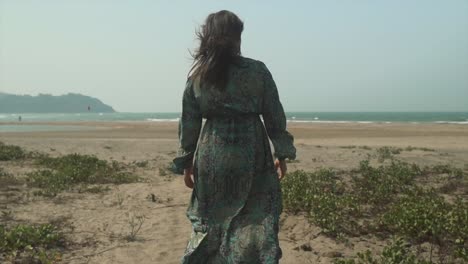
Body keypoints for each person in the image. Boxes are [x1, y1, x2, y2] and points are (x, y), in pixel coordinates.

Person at [173, 10, 296, 264]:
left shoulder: (198, 77)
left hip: (212, 155)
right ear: (238, 37)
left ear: (208, 37)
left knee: (211, 220)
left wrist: (186, 163)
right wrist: (282, 152)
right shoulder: (257, 71)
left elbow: (189, 123)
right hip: (252, 153)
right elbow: (274, 114)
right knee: (256, 217)